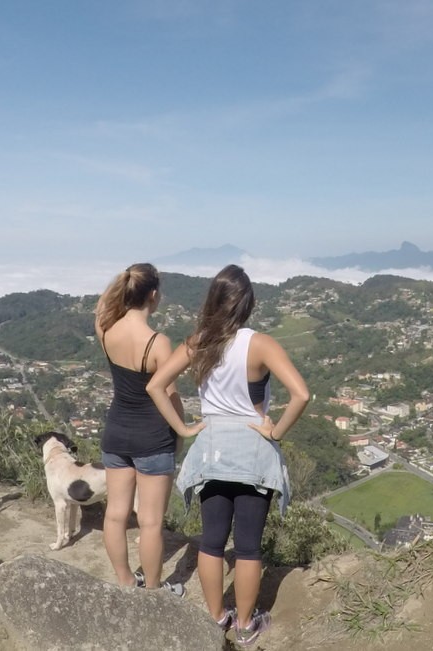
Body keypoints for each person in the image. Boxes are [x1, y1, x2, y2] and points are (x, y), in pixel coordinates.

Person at [147, 264, 309, 647]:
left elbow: (156, 385)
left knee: (212, 541)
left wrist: (185, 429)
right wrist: (276, 430)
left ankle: (217, 616)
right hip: (253, 449)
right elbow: (301, 394)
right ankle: (246, 625)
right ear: (247, 304)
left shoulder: (197, 342)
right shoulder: (261, 344)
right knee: (249, 545)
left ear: (213, 301)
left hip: (212, 449)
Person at [95, 262, 201, 596]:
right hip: (152, 439)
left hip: (116, 434)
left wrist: (118, 286)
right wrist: (182, 430)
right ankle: (154, 590)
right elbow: (169, 395)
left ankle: (126, 581)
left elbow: (101, 307)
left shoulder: (105, 327)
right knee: (151, 522)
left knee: (114, 515)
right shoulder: (157, 343)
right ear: (153, 296)